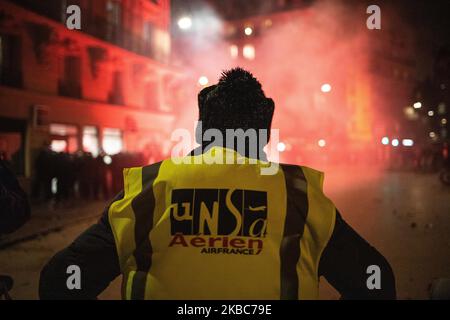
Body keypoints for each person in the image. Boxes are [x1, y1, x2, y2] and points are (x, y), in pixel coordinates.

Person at [39, 68, 396, 300]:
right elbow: (375, 280)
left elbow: (60, 281)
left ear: (200, 132)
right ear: (264, 135)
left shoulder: (150, 188)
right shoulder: (298, 193)